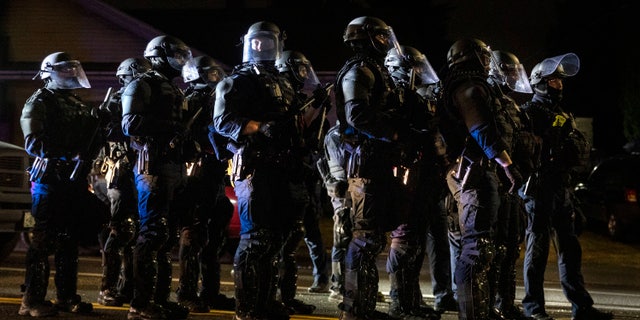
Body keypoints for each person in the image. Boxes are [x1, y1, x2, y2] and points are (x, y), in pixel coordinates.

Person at [212, 21, 302, 320]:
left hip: (282, 166)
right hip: (253, 165)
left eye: (268, 40)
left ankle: (265, 302)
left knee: (275, 239)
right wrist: (260, 127)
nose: (262, 46)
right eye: (257, 40)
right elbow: (223, 122)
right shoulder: (236, 81)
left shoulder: (284, 81)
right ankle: (248, 309)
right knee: (255, 239)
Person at [520, 53, 612, 320]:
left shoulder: (562, 113)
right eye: (553, 81)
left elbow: (577, 151)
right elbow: (525, 153)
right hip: (539, 190)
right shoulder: (529, 114)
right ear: (539, 82)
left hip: (562, 189)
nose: (559, 85)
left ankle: (582, 307)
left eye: (560, 81)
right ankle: (533, 308)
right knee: (537, 250)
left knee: (570, 250)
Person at [334, 16, 415, 320]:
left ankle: (364, 306)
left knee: (374, 239)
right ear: (364, 39)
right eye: (380, 37)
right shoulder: (360, 71)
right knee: (365, 238)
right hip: (366, 163)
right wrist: (392, 133)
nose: (385, 42)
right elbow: (357, 115)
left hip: (380, 162)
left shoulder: (377, 71)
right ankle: (355, 310)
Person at [440, 38, 524, 319]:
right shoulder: (469, 88)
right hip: (474, 175)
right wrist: (507, 164)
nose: (488, 60)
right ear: (472, 58)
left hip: (480, 174)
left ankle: (483, 311)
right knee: (477, 248)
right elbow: (482, 129)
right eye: (483, 55)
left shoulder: (475, 87)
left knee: (486, 249)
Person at [19, 51, 102, 317]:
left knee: (69, 241)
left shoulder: (75, 103)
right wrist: (67, 154)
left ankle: (66, 297)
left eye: (71, 69)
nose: (69, 74)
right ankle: (31, 301)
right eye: (64, 69)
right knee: (43, 241)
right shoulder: (39, 102)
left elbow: (88, 139)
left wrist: (101, 124)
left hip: (73, 181)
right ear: (50, 72)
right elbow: (33, 144)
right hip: (49, 180)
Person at [121, 35, 194, 320]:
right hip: (152, 166)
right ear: (160, 55)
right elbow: (130, 125)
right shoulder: (142, 84)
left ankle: (159, 299)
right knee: (151, 233)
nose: (180, 60)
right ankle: (139, 304)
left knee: (165, 235)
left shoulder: (173, 88)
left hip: (172, 165)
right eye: (175, 55)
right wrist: (169, 129)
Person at [381, 44, 448, 320]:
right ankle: (399, 301)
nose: (420, 73)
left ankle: (411, 300)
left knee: (417, 242)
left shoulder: (415, 97)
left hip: (424, 177)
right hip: (403, 176)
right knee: (404, 239)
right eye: (414, 68)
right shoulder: (390, 97)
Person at [174, 55, 236, 313]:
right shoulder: (194, 101)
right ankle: (186, 293)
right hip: (198, 172)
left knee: (215, 233)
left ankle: (210, 292)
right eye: (210, 74)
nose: (216, 78)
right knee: (194, 232)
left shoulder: (217, 98)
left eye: (216, 74)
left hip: (216, 171)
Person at [274, 49, 331, 314]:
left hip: (303, 176)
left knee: (305, 233)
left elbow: (305, 130)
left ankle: (292, 293)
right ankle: (274, 296)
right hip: (284, 177)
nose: (304, 74)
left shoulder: (295, 97)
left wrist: (319, 107)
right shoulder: (277, 97)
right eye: (300, 69)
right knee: (283, 239)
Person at [486, 50, 537, 320]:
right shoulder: (486, 101)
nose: (513, 76)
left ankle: (505, 304)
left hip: (512, 187)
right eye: (508, 70)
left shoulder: (510, 105)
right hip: (493, 183)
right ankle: (488, 306)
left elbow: (520, 142)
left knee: (509, 248)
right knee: (490, 249)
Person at [96, 57, 150, 307]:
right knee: (121, 229)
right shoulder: (116, 103)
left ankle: (127, 287)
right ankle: (107, 288)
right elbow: (110, 134)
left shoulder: (147, 101)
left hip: (142, 172)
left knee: (137, 231)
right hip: (119, 173)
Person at [316, 122, 352, 304]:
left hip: (352, 189)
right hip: (343, 190)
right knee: (342, 237)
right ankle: (338, 286)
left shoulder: (344, 131)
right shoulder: (337, 134)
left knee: (355, 239)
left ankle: (352, 285)